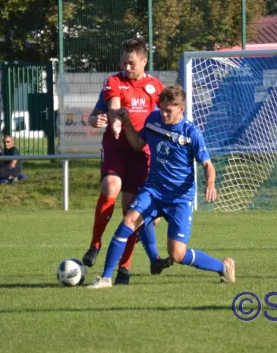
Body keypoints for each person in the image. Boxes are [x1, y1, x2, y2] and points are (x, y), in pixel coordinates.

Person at [87, 85, 235, 289]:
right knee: (127, 222)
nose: (163, 114)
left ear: (181, 109)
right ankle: (105, 278)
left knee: (177, 254)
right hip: (153, 191)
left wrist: (210, 183)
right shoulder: (153, 120)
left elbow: (207, 164)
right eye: (162, 108)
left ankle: (223, 267)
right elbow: (138, 144)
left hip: (179, 199)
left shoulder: (191, 132)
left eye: (169, 111)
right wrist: (128, 123)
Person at [81, 38, 169, 285]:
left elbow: (167, 116)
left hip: (142, 153)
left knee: (132, 211)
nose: (126, 67)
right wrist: (108, 121)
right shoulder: (114, 81)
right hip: (116, 148)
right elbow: (109, 108)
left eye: (131, 63)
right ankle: (95, 244)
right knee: (110, 187)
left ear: (144, 60)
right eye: (123, 62)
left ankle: (125, 268)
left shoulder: (155, 86)